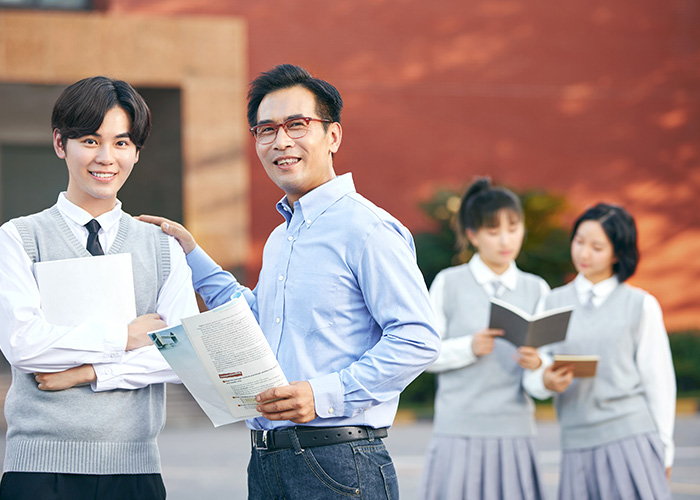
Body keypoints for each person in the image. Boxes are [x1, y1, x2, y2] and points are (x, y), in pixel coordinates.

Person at [139, 63, 441, 499]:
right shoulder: (283, 236)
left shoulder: (368, 229)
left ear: (333, 136)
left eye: (297, 125)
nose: (281, 141)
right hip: (266, 462)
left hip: (341, 465)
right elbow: (256, 320)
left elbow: (418, 338)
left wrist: (323, 395)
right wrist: (191, 253)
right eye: (266, 130)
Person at [0, 76, 199, 500]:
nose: (106, 158)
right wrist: (125, 337)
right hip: (38, 470)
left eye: (122, 143)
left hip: (135, 471)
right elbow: (23, 345)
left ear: (136, 152)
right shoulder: (18, 238)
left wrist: (89, 372)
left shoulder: (164, 247)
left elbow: (183, 354)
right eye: (90, 140)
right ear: (60, 143)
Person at [523, 203, 676, 500]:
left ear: (617, 253)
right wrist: (545, 380)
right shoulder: (552, 303)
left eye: (596, 247)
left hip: (631, 439)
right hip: (576, 444)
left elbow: (659, 383)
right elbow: (532, 376)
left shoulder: (640, 305)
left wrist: (665, 450)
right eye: (579, 242)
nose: (583, 253)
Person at [418, 178, 549, 500]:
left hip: (515, 430)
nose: (506, 240)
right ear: (473, 234)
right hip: (458, 431)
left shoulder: (537, 289)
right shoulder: (449, 283)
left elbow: (539, 380)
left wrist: (540, 367)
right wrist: (469, 347)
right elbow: (423, 354)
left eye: (514, 228)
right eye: (493, 231)